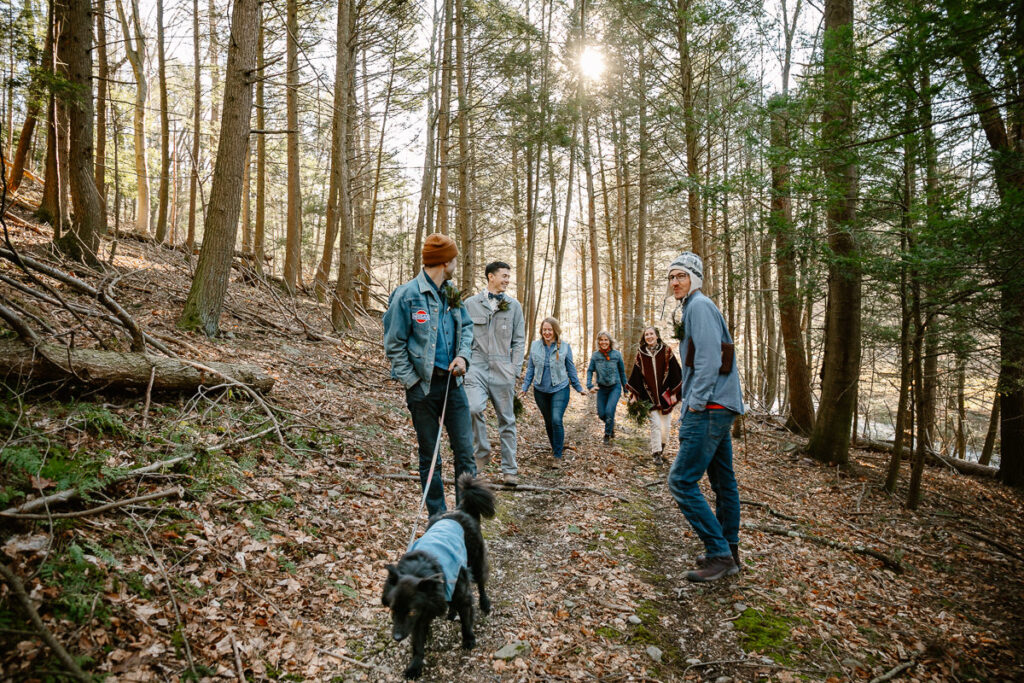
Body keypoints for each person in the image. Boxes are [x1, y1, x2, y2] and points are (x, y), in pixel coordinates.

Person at [665, 251, 745, 583]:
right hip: (719, 405)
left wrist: (694, 403)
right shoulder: (695, 307)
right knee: (723, 482)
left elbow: (712, 359)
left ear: (694, 278)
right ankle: (730, 550)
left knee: (681, 481)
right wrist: (682, 392)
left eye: (681, 276)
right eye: (671, 278)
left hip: (710, 408)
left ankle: (719, 553)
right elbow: (700, 361)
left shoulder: (698, 307)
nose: (674, 282)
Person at [383, 233, 475, 517]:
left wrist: (462, 356)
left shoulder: (452, 293)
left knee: (465, 455)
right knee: (430, 458)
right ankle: (437, 518)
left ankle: (465, 519)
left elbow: (467, 329)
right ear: (444, 261)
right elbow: (393, 344)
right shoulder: (407, 295)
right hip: (422, 388)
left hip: (453, 384)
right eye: (454, 258)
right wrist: (411, 381)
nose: (456, 263)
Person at [463, 261, 526, 486]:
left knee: (507, 420)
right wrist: (463, 362)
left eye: (509, 276)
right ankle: (481, 452)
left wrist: (514, 369)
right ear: (491, 276)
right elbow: (462, 335)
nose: (508, 280)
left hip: (503, 368)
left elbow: (519, 341)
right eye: (504, 276)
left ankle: (509, 470)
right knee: (472, 408)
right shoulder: (470, 304)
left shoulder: (514, 306)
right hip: (476, 367)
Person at [520, 317, 587, 466]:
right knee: (549, 422)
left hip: (560, 389)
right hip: (540, 391)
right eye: (544, 330)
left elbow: (571, 369)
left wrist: (578, 387)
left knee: (556, 419)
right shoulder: (535, 346)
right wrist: (524, 388)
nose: (547, 332)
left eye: (550, 329)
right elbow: (530, 369)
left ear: (555, 330)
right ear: (541, 331)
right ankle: (555, 447)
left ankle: (557, 456)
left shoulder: (564, 347)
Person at [625, 326, 682, 464]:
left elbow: (676, 372)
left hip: (666, 395)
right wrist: (633, 396)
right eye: (646, 335)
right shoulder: (641, 353)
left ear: (657, 335)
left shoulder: (666, 351)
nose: (649, 337)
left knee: (666, 427)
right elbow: (636, 376)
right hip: (648, 396)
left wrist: (675, 393)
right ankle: (656, 453)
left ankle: (661, 447)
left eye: (651, 334)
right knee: (655, 424)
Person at [586, 331, 628, 445]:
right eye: (601, 340)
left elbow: (622, 372)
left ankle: (607, 434)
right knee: (601, 414)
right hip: (602, 388)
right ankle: (611, 424)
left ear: (610, 341)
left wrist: (626, 389)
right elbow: (590, 370)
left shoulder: (617, 355)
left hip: (615, 387)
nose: (603, 342)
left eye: (606, 340)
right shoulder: (595, 356)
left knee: (610, 411)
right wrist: (590, 385)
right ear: (598, 342)